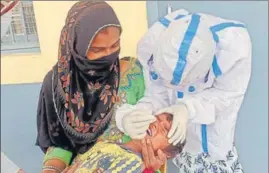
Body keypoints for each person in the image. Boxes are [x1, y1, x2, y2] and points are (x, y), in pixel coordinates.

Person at [115, 9, 252, 172]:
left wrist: (187, 109)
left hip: (215, 145)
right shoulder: (152, 43)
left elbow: (225, 97)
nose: (161, 122)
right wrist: (127, 116)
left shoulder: (235, 50)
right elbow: (156, 95)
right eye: (163, 121)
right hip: (181, 152)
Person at [36, 1, 122, 172]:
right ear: (75, 46)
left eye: (115, 45)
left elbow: (156, 133)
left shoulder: (134, 75)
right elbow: (60, 144)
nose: (108, 55)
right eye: (97, 50)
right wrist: (52, 169)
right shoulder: (55, 84)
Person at [62, 113, 186, 173]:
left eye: (164, 130)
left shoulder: (135, 164)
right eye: (155, 118)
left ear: (166, 154)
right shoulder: (105, 143)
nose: (155, 124)